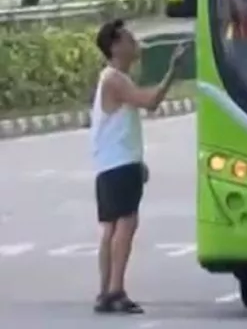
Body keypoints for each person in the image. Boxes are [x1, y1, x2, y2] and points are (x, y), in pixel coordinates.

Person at [91, 19, 189, 314]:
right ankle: (116, 290)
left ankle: (106, 291)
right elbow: (150, 102)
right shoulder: (115, 80)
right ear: (114, 46)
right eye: (128, 39)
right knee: (125, 225)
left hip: (112, 163)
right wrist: (173, 71)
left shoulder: (112, 78)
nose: (135, 43)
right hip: (118, 164)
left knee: (110, 227)